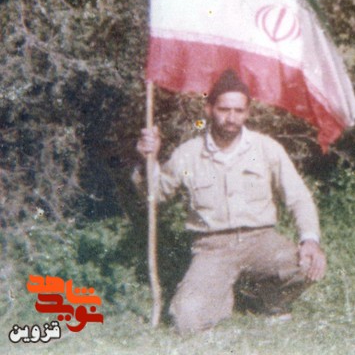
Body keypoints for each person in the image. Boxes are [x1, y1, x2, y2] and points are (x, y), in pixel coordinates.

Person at [135, 69, 327, 334]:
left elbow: (298, 197)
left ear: (247, 113)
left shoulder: (266, 148)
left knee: (308, 264)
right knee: (186, 318)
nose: (231, 118)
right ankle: (221, 294)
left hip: (261, 241)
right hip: (213, 247)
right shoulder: (189, 154)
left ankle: (269, 300)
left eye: (239, 111)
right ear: (209, 109)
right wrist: (147, 161)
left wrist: (310, 240)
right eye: (224, 109)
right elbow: (155, 194)